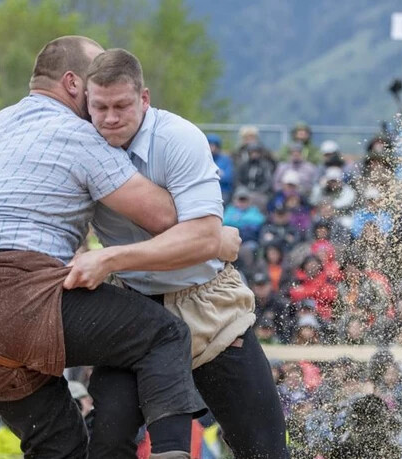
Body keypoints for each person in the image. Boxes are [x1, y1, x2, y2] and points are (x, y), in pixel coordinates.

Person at [0, 36, 211, 459]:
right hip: (17, 300)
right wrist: (212, 224)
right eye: (94, 88)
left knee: (61, 448)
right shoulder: (77, 133)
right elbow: (164, 216)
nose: (99, 106)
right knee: (164, 334)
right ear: (74, 83)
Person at [76, 49, 287, 458]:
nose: (109, 118)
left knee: (264, 449)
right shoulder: (80, 141)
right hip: (131, 307)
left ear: (144, 99)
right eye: (99, 107)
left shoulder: (178, 138)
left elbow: (203, 239)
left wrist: (111, 258)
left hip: (205, 300)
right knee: (105, 443)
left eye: (121, 106)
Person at [207, 134, 234, 202]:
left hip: (222, 190)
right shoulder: (204, 159)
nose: (212, 148)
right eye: (210, 145)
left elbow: (228, 177)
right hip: (206, 189)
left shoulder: (225, 159)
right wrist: (218, 173)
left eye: (214, 145)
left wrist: (211, 174)